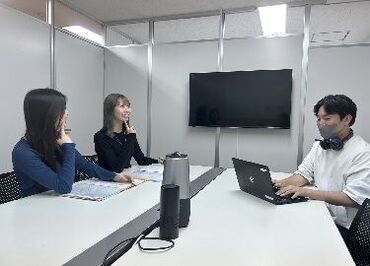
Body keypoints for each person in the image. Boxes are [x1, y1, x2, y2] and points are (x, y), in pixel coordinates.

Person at [273, 94, 370, 241]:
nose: (320, 123)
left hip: (342, 227)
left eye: (327, 118)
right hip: (318, 212)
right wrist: (282, 183)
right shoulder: (320, 146)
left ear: (346, 119)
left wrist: (305, 192)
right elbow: (304, 174)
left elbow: (353, 198)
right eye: (318, 118)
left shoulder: (362, 153)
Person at [12, 88, 132, 198]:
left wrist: (114, 176)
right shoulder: (23, 152)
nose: (67, 113)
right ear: (46, 116)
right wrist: (68, 146)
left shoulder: (54, 141)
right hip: (36, 211)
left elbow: (85, 165)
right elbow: (63, 187)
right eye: (62, 110)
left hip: (61, 204)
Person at [94, 93, 158, 173]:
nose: (128, 110)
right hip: (108, 181)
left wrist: (160, 161)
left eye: (128, 106)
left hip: (125, 177)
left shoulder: (128, 133)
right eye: (122, 106)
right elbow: (117, 168)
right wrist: (130, 137)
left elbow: (141, 159)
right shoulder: (101, 137)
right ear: (110, 110)